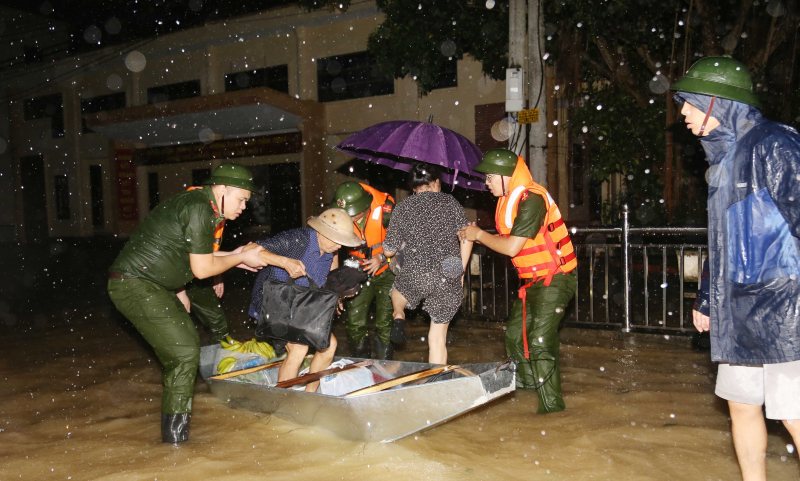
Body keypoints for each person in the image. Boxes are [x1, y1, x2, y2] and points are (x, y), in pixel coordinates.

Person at [672, 55, 800, 481]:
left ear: (716, 102)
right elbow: (722, 240)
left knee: (795, 415)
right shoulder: (723, 163)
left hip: (786, 309)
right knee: (741, 406)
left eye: (689, 102)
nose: (683, 113)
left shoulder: (774, 143)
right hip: (738, 311)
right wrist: (707, 297)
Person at [107, 163, 268, 444]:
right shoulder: (200, 208)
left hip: (152, 284)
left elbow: (176, 249)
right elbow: (204, 269)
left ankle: (175, 441)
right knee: (183, 354)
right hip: (135, 284)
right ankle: (175, 443)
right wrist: (241, 258)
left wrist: (183, 286)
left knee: (184, 351)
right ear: (222, 189)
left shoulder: (198, 203)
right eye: (241, 198)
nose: (244, 206)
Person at [458, 149, 577, 414]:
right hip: (532, 282)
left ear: (506, 176)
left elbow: (512, 248)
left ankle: (553, 411)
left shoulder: (532, 200)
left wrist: (478, 234)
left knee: (538, 342)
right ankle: (528, 388)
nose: (486, 183)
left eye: (489, 177)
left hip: (555, 279)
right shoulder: (510, 199)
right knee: (514, 337)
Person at [247, 208, 361, 392]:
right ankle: (283, 402)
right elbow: (249, 249)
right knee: (299, 348)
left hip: (300, 303)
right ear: (322, 232)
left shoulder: (332, 250)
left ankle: (310, 396)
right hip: (272, 301)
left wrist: (336, 296)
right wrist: (285, 262)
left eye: (342, 241)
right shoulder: (298, 240)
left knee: (329, 345)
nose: (339, 246)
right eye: (336, 239)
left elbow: (326, 281)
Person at [382, 163, 473, 364]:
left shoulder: (403, 207)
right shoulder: (450, 202)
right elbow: (467, 238)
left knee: (399, 289)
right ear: (436, 183)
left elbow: (388, 250)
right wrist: (460, 272)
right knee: (437, 337)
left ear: (414, 188)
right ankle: (436, 383)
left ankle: (399, 314)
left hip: (417, 270)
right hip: (448, 271)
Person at [329, 181, 399, 359]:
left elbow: (404, 240)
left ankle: (384, 370)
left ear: (364, 205)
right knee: (354, 323)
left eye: (352, 214)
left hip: (387, 271)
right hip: (356, 271)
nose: (347, 218)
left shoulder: (386, 210)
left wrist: (382, 256)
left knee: (385, 323)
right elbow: (332, 251)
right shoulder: (336, 215)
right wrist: (335, 287)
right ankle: (362, 367)